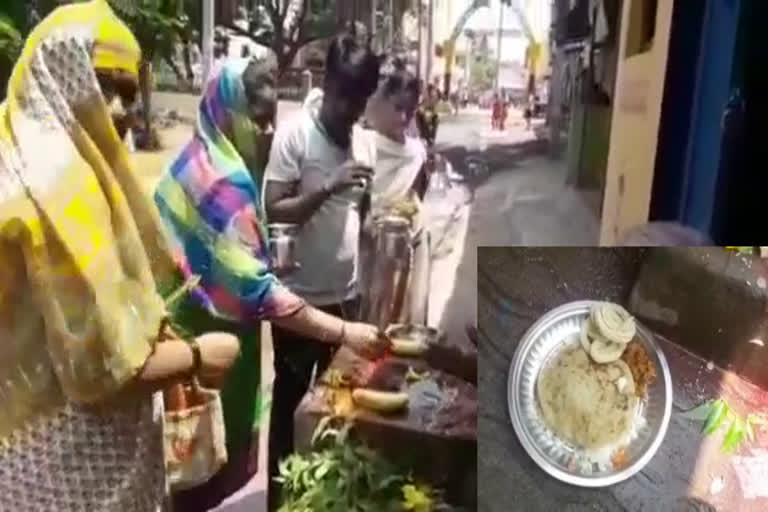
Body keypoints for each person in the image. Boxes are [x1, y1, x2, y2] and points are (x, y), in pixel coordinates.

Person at [0, 1, 241, 510]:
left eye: (129, 94)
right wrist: (199, 356)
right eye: (103, 84)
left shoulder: (30, 162)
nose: (119, 111)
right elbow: (101, 374)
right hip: (71, 477)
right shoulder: (53, 192)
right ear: (59, 74)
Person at [153, 57, 388, 511]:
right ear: (227, 104)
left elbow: (226, 266)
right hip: (198, 355)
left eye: (271, 108)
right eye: (256, 108)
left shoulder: (200, 160)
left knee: (194, 474)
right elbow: (256, 292)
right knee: (191, 473)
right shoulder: (221, 181)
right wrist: (346, 332)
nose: (267, 122)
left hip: (212, 346)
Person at [261, 28, 382, 506]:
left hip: (346, 298)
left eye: (361, 101)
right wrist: (328, 185)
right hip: (299, 305)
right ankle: (279, 501)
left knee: (339, 412)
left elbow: (362, 212)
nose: (351, 110)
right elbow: (275, 208)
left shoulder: (364, 143)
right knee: (292, 410)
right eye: (345, 97)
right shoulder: (296, 135)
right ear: (327, 83)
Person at [360, 58, 430, 324]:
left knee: (399, 317)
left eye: (410, 112)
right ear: (382, 101)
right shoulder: (363, 142)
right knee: (367, 317)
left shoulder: (416, 153)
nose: (403, 118)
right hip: (367, 250)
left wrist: (406, 212)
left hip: (402, 248)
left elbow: (415, 198)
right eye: (398, 108)